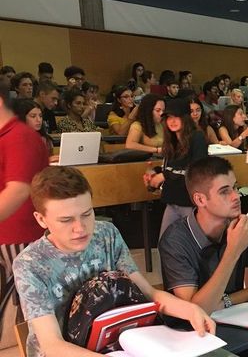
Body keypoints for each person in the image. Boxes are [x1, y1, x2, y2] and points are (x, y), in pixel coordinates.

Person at [13, 166, 215, 357]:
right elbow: (52, 345)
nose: (80, 228)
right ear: (41, 219)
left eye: (87, 214)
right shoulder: (30, 263)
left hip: (114, 343)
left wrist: (190, 310)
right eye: (66, 220)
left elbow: (148, 292)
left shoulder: (106, 234)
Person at [159, 157, 248, 315]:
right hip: (193, 334)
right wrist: (233, 250)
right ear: (200, 199)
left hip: (234, 320)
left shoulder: (238, 227)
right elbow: (196, 310)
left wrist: (227, 301)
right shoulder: (175, 240)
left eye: (235, 187)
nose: (236, 196)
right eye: (224, 192)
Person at [0, 83, 48, 348]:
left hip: (20, 233)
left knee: (30, 304)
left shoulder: (20, 136)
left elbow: (18, 191)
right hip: (6, 232)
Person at [144, 98, 208, 236]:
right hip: (173, 201)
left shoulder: (197, 137)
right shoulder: (171, 141)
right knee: (165, 244)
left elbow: (196, 171)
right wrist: (155, 174)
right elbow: (170, 168)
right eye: (169, 118)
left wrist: (164, 176)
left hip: (190, 202)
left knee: (191, 246)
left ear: (185, 118)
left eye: (176, 117)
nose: (172, 121)